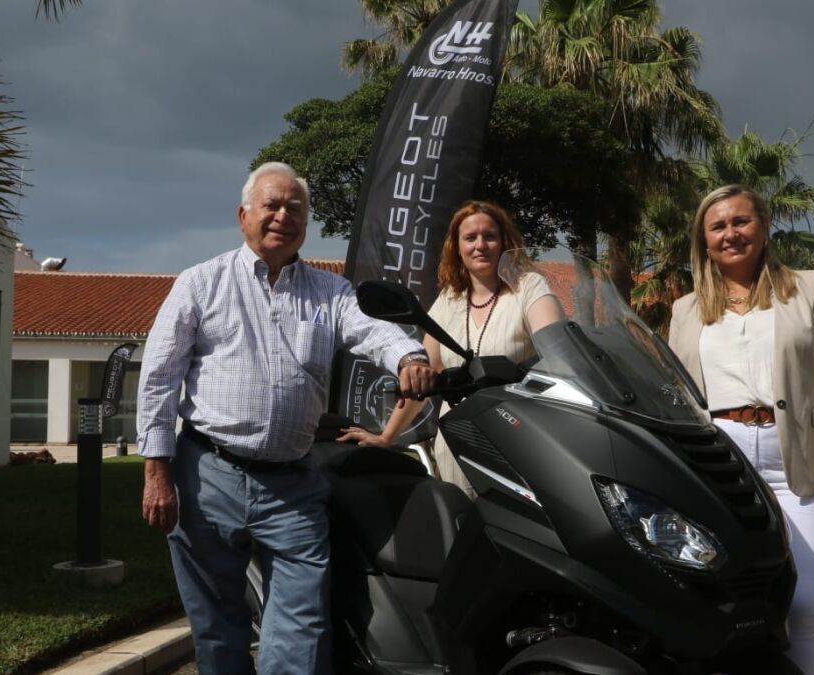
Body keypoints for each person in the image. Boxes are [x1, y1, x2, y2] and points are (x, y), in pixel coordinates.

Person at [137, 162, 435, 675]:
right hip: (207, 474)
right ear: (243, 216)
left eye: (294, 208)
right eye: (271, 206)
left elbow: (372, 331)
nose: (282, 216)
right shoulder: (200, 283)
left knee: (302, 624)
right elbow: (159, 378)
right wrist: (156, 472)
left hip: (293, 484)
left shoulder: (331, 292)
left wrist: (409, 357)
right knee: (216, 623)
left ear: (306, 221)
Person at [668, 185, 814, 675]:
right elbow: (676, 394)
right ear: (704, 240)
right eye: (718, 226)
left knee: (804, 603)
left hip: (793, 463)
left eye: (741, 221)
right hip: (717, 464)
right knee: (722, 601)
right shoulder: (685, 309)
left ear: (764, 226)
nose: (731, 233)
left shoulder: (809, 288)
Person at [337, 200, 564, 497]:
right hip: (457, 445)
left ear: (505, 243)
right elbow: (424, 379)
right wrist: (386, 437)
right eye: (470, 238)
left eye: (490, 236)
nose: (480, 245)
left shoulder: (528, 287)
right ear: (457, 248)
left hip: (517, 443)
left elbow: (558, 350)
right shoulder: (449, 301)